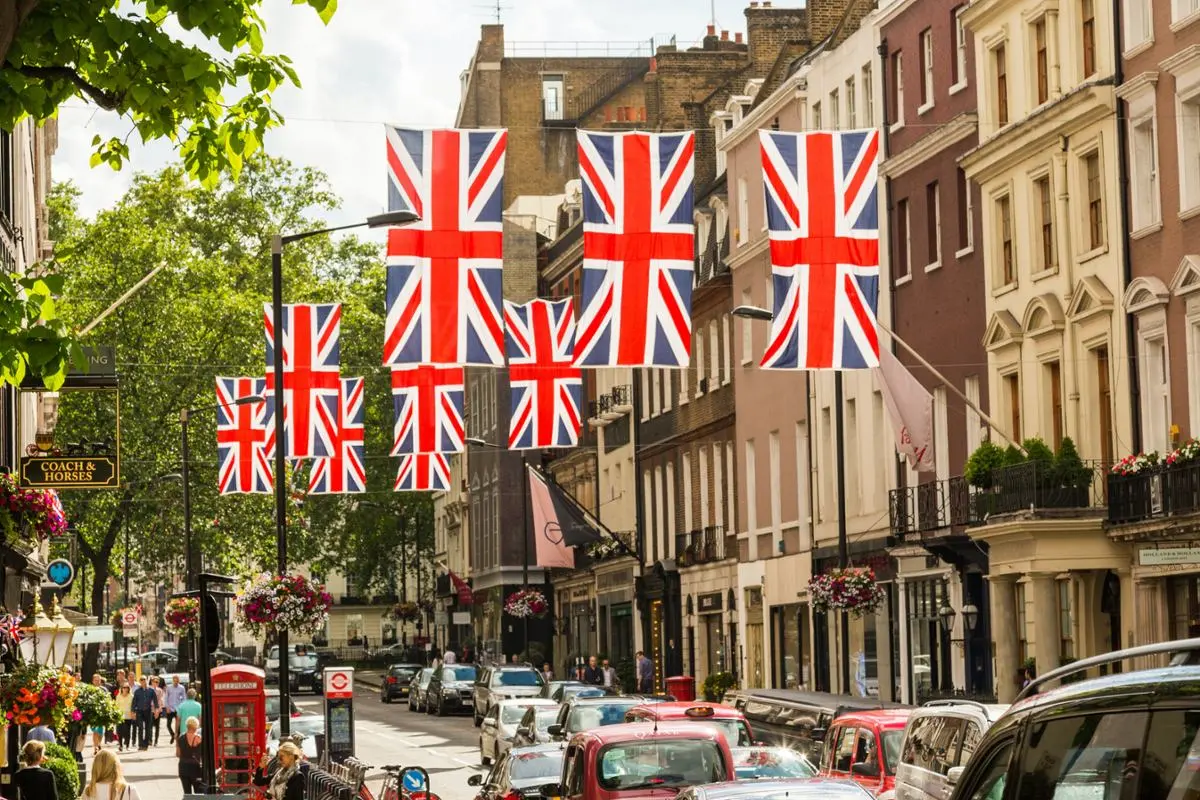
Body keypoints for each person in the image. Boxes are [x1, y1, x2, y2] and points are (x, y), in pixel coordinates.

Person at [176, 716, 203, 794]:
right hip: (195, 768)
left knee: (187, 794)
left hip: (183, 767)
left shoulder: (180, 738)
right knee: (198, 793)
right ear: (196, 726)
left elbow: (178, 754)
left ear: (187, 726)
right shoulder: (198, 738)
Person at [130, 676, 159, 750]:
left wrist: (156, 711)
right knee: (140, 728)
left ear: (146, 680)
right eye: (141, 680)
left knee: (148, 728)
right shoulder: (137, 691)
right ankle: (140, 745)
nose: (143, 681)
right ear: (140, 682)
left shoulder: (151, 690)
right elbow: (134, 702)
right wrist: (132, 712)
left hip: (148, 711)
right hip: (139, 711)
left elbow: (155, 701)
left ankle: (145, 745)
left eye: (144, 680)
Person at [163, 675, 186, 745]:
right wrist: (167, 707)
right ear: (173, 680)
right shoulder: (169, 687)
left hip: (178, 708)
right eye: (174, 680)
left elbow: (184, 698)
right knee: (168, 725)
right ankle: (172, 735)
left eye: (177, 681)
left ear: (179, 681)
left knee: (179, 725)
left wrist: (182, 708)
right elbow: (166, 698)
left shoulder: (182, 688)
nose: (176, 682)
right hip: (170, 708)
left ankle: (178, 739)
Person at [115, 684, 134, 753]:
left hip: (128, 716)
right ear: (121, 688)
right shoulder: (118, 696)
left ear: (129, 689)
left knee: (127, 731)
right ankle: (120, 745)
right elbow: (116, 706)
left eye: (127, 688)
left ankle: (127, 746)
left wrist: (133, 713)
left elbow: (133, 706)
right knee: (119, 731)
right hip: (120, 715)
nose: (125, 689)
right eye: (124, 687)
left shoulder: (131, 696)